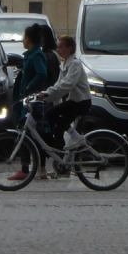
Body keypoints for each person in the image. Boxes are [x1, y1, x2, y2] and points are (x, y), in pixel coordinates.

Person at [33, 34, 92, 162]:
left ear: (70, 48)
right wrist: (45, 95)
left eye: (61, 47)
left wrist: (47, 93)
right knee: (57, 123)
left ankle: (60, 154)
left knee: (52, 116)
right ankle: (65, 152)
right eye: (58, 47)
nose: (58, 50)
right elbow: (58, 85)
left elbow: (67, 84)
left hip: (81, 102)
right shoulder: (64, 64)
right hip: (73, 102)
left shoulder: (75, 64)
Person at [11, 24, 50, 122]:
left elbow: (42, 74)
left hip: (32, 97)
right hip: (25, 96)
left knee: (28, 122)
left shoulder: (36, 55)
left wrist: (29, 86)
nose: (23, 40)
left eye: (24, 38)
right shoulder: (30, 55)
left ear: (28, 39)